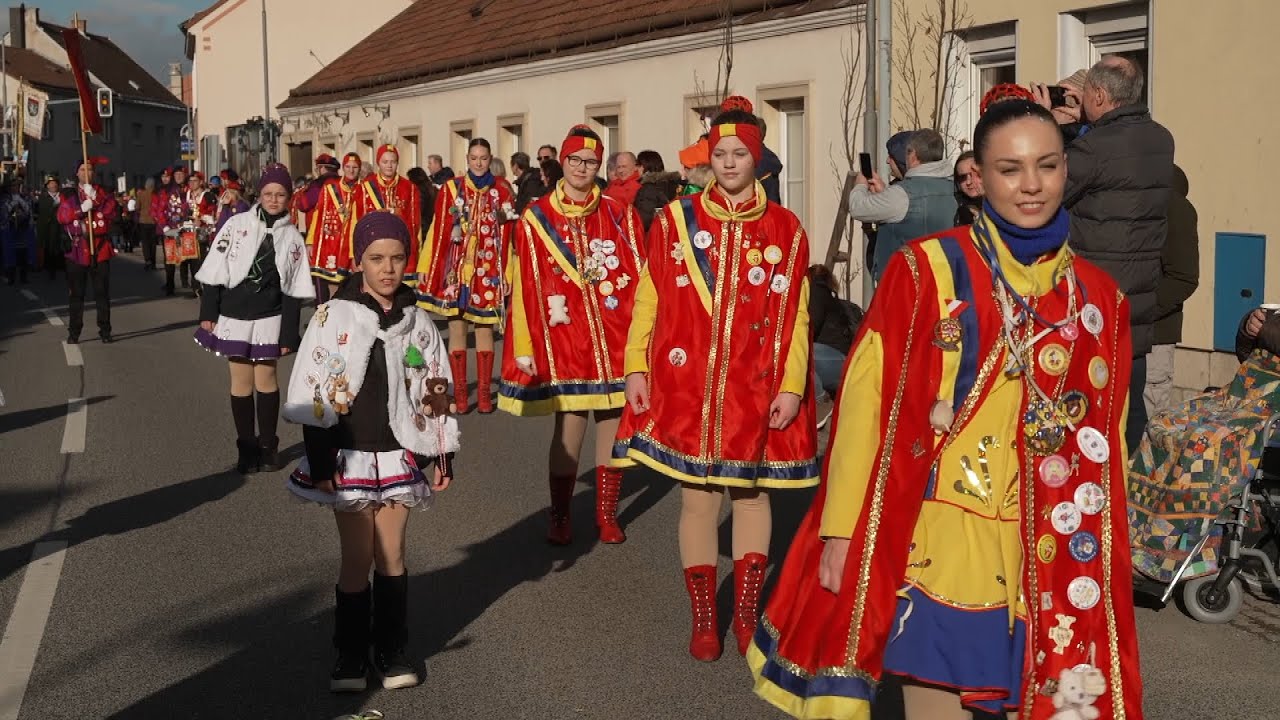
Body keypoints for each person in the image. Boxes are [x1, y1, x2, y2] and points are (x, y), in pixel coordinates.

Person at [750, 100, 1142, 720]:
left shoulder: (1098, 298)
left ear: (1067, 169)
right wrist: (842, 529)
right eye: (1010, 169)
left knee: (1034, 700)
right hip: (935, 531)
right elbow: (864, 407)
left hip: (1045, 543)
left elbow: (1107, 437)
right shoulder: (928, 271)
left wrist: (1112, 537)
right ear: (978, 177)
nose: (1032, 184)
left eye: (1046, 165)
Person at [612, 109, 820, 662]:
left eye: (740, 156)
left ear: (758, 160)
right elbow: (649, 296)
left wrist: (793, 385)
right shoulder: (676, 220)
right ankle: (705, 616)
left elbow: (798, 315)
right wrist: (636, 365)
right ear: (710, 159)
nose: (729, 165)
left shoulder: (785, 228)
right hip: (686, 387)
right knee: (698, 499)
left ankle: (747, 612)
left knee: (751, 496)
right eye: (721, 155)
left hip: (755, 385)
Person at [283, 211, 458, 693]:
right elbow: (318, 390)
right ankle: (350, 653)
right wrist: (321, 463)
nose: (387, 268)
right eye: (376, 258)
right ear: (359, 261)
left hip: (399, 454)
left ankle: (393, 648)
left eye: (397, 258)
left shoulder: (418, 321)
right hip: (350, 455)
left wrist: (442, 454)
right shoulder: (334, 317)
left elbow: (434, 388)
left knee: (394, 554)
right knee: (358, 557)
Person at [499, 125, 647, 546]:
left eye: (591, 162)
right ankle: (561, 513)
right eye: (575, 160)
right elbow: (525, 283)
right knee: (570, 427)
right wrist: (525, 346)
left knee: (614, 426)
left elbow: (641, 277)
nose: (583, 168)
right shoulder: (536, 217)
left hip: (615, 336)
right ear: (562, 163)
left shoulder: (619, 214)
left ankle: (606, 514)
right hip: (564, 338)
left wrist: (643, 339)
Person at [1050, 56, 1174, 453]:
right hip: (1137, 299)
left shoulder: (1094, 147)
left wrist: (1056, 128)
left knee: (1085, 403)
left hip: (1092, 298)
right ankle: (1124, 489)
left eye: (1085, 95)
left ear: (1099, 95)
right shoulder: (1161, 138)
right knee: (1130, 401)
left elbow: (1050, 191)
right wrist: (1082, 127)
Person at [1129, 305, 1280, 588]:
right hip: (1241, 395)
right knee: (1163, 425)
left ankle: (1164, 550)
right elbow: (1247, 352)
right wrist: (1249, 325)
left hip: (1265, 410)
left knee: (1204, 444)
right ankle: (1130, 534)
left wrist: (1269, 327)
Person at [195, 163, 315, 474]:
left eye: (280, 194)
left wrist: (289, 334)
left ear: (289, 197)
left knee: (267, 379)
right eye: (268, 194)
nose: (274, 200)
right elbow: (214, 268)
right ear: (258, 195)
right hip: (234, 313)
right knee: (240, 381)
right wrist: (209, 311)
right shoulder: (236, 224)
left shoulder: (292, 237)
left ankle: (268, 445)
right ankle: (246, 447)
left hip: (269, 317)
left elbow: (294, 288)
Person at [416, 138, 517, 414]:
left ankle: (484, 394)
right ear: (467, 159)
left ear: (490, 158)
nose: (479, 163)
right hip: (456, 271)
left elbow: (508, 239)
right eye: (474, 158)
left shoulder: (502, 191)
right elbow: (437, 231)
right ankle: (460, 393)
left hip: (488, 272)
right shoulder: (452, 188)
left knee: (485, 328)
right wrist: (427, 266)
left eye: (483, 158)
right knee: (458, 327)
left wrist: (508, 273)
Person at [850, 129, 958, 283]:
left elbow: (857, 207)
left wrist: (860, 185)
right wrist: (886, 193)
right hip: (943, 283)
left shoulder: (902, 194)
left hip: (905, 287)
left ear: (913, 155)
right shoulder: (953, 187)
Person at [1145, 164, 1199, 416]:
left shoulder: (1173, 207)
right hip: (1123, 335)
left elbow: (1184, 278)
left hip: (1154, 338)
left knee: (1149, 426)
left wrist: (1138, 311)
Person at [59, 160, 119, 344]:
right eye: (83, 169)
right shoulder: (69, 194)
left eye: (90, 169)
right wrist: (80, 209)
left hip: (100, 249)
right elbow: (62, 216)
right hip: (77, 250)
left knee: (102, 293)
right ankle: (74, 331)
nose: (87, 172)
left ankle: (105, 330)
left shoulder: (103, 192)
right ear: (76, 173)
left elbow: (112, 212)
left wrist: (96, 199)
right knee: (77, 294)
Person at [348, 145, 422, 282]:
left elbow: (416, 226)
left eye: (393, 162)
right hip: (373, 251)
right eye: (385, 162)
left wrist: (418, 255)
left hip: (400, 251)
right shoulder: (365, 187)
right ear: (378, 163)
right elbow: (354, 223)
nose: (389, 166)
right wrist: (353, 253)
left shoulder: (409, 188)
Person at [305, 152, 363, 303]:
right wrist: (310, 241)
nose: (351, 170)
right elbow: (318, 214)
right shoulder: (330, 188)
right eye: (348, 167)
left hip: (350, 245)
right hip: (328, 243)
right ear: (343, 168)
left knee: (349, 285)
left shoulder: (364, 190)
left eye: (355, 167)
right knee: (325, 283)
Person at [807, 264, 860, 402]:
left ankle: (821, 401)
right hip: (841, 360)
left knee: (798, 354)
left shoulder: (816, 291)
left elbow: (811, 327)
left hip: (837, 361)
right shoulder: (829, 296)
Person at [633, 150, 682, 233]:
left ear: (643, 166)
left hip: (654, 234)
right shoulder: (674, 184)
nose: (635, 169)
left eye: (638, 165)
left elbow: (644, 219)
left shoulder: (647, 189)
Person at [3, 179, 34, 285]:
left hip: (23, 229)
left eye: (17, 186)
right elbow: (5, 212)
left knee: (23, 253)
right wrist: (13, 203)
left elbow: (28, 210)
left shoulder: (25, 198)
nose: (15, 188)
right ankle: (11, 277)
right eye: (13, 186)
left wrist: (20, 200)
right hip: (10, 229)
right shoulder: (6, 198)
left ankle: (23, 277)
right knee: (11, 254)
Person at [37, 176, 63, 280]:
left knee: (61, 247)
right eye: (51, 184)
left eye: (55, 183)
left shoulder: (62, 196)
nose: (53, 185)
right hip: (48, 227)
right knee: (50, 249)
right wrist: (55, 204)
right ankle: (50, 269)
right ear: (47, 186)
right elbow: (44, 211)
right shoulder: (43, 197)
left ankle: (60, 266)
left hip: (61, 227)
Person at [509, 151, 546, 216]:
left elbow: (531, 204)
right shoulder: (528, 179)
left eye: (511, 165)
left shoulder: (531, 181)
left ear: (515, 166)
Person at [953, 150, 983, 225]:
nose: (968, 182)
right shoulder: (956, 205)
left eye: (976, 174)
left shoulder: (1004, 206)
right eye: (963, 177)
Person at [136, 177, 158, 269]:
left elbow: (137, 207)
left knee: (145, 242)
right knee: (153, 243)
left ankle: (147, 260)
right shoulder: (155, 194)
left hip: (143, 221)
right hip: (153, 221)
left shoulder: (141, 194)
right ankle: (153, 261)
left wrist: (140, 211)